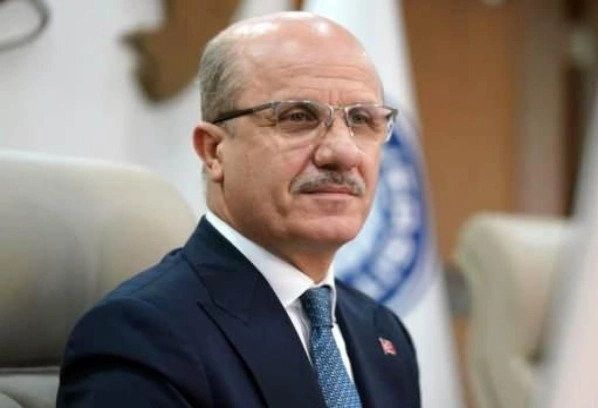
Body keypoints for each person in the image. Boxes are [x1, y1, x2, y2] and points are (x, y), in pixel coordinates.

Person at [56, 11, 420, 408]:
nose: (344, 153)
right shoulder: (141, 336)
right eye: (298, 117)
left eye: (362, 119)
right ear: (214, 151)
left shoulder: (382, 334)